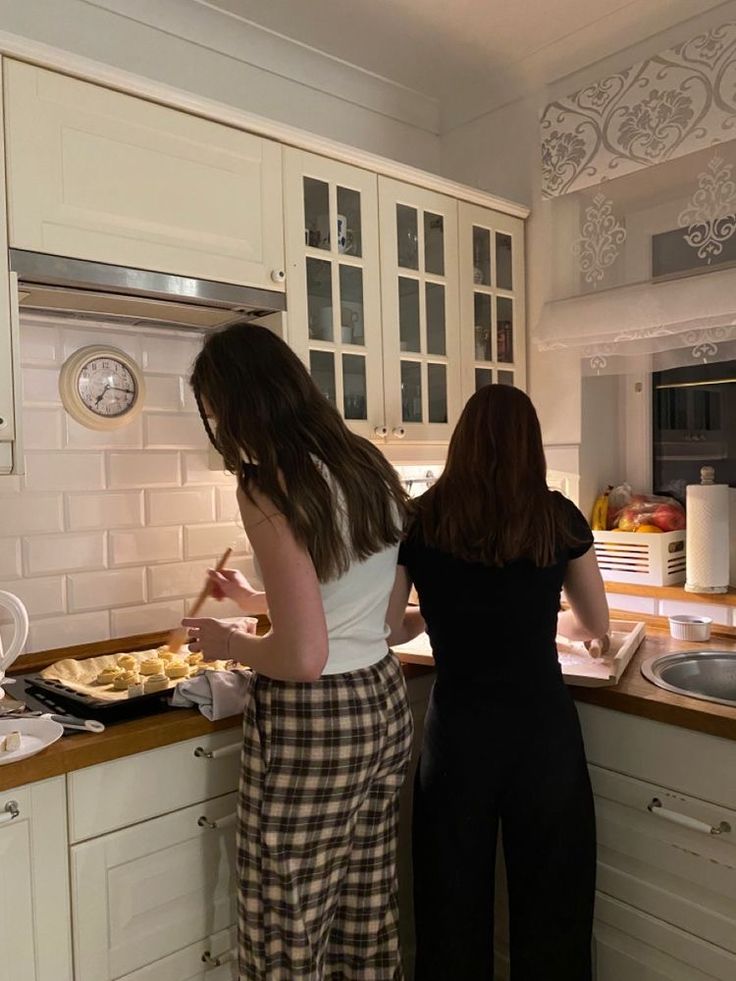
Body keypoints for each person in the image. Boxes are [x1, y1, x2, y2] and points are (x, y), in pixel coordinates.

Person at [183, 322, 413, 981]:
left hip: (315, 720)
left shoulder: (266, 483)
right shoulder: (363, 461)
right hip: (382, 700)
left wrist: (230, 640)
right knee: (364, 911)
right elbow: (368, 598)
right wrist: (259, 600)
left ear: (236, 405)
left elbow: (306, 657)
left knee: (286, 919)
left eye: (215, 409)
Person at [386, 384, 609, 981]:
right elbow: (595, 624)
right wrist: (539, 615)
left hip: (457, 737)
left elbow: (385, 626)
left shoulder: (420, 518)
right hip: (542, 735)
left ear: (460, 442)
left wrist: (441, 612)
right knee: (554, 907)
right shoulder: (557, 514)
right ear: (530, 445)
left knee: (450, 909)